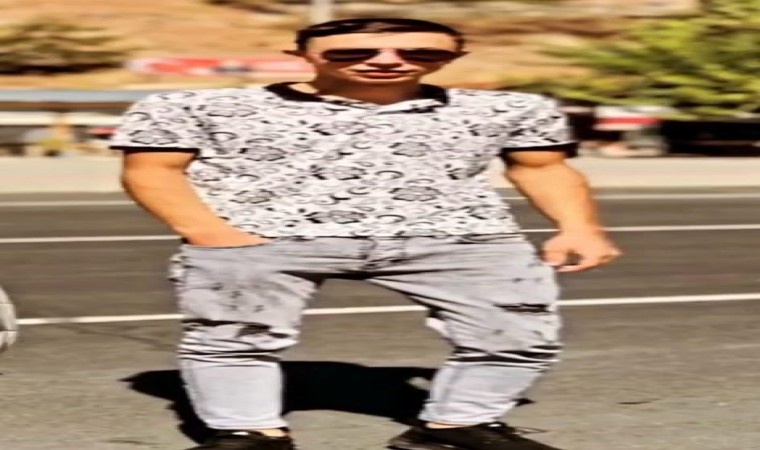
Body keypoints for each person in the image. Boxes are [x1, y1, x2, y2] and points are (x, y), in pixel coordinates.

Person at [110, 18, 621, 450]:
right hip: (264, 237)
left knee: (520, 336)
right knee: (233, 339)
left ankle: (458, 425)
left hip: (460, 236)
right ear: (302, 54)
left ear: (454, 56)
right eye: (353, 52)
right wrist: (208, 233)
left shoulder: (510, 109)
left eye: (420, 52)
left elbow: (543, 168)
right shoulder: (194, 105)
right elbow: (152, 171)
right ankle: (248, 433)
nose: (387, 61)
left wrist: (579, 227)